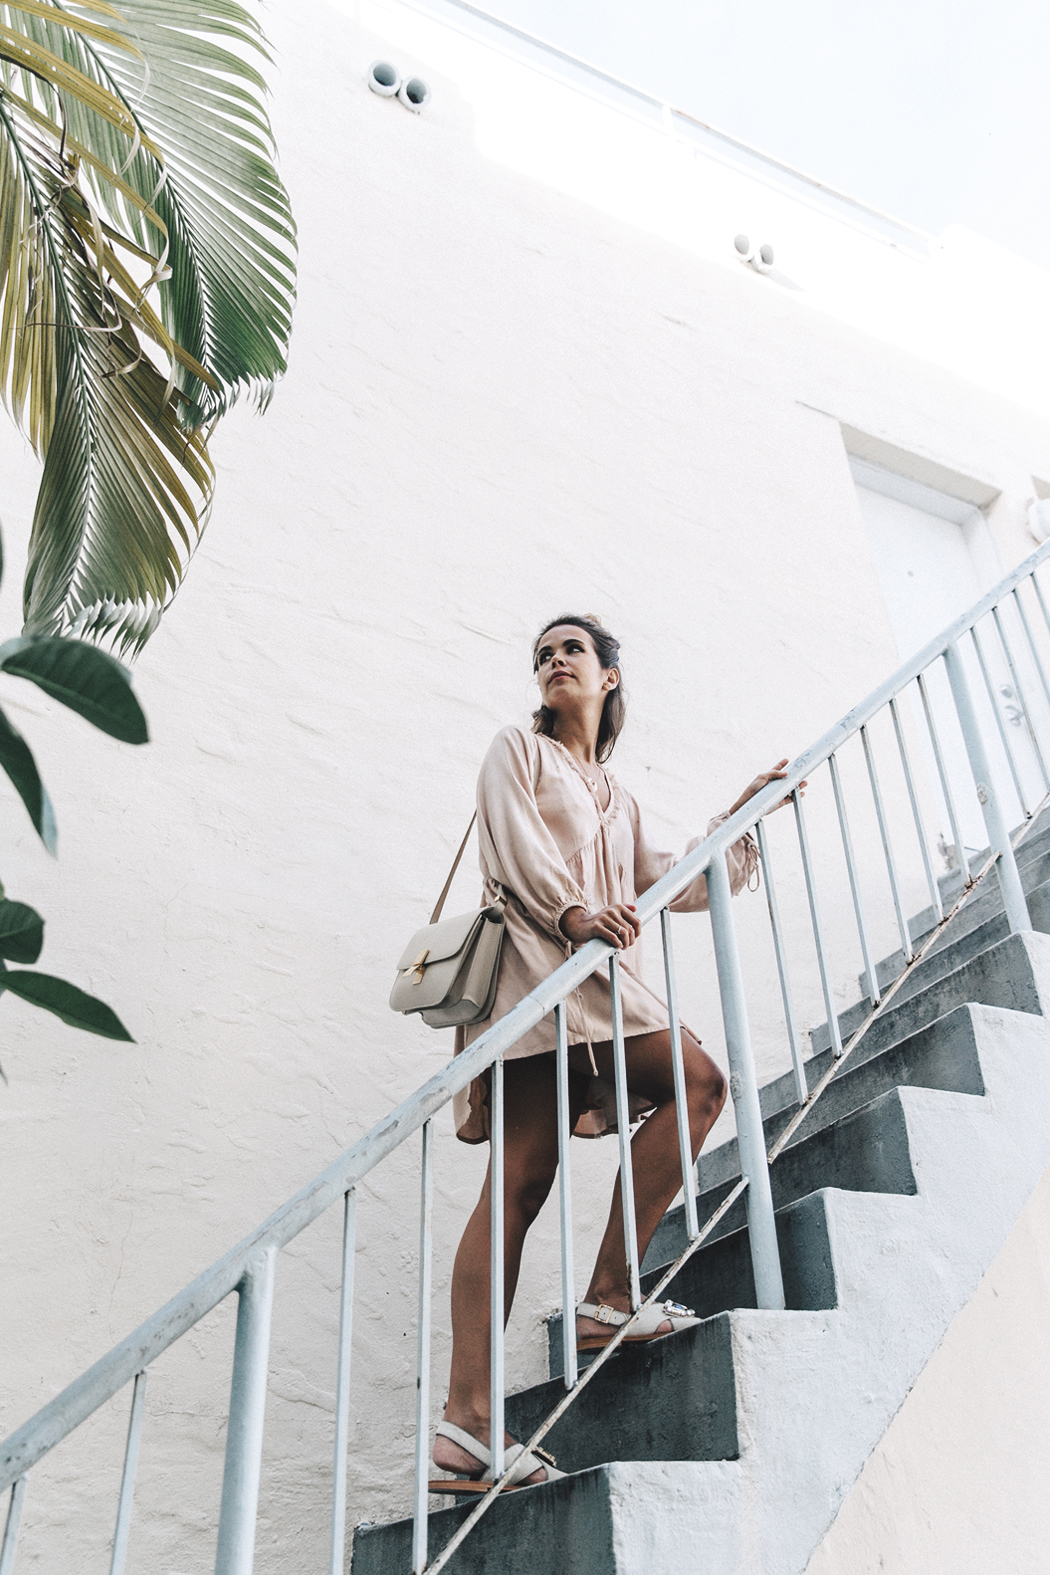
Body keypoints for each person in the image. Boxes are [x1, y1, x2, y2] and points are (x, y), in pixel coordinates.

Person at [430, 614, 799, 1493]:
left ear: (609, 678)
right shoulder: (516, 750)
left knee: (699, 1083)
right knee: (519, 1182)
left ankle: (608, 1293)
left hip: (599, 987)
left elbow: (662, 882)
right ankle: (465, 1426)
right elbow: (515, 849)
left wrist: (736, 820)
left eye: (573, 650)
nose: (555, 660)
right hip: (535, 983)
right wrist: (572, 915)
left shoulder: (617, 793)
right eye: (543, 654)